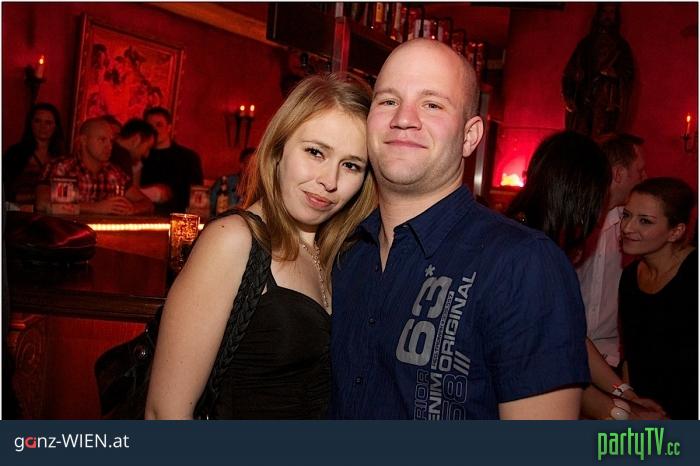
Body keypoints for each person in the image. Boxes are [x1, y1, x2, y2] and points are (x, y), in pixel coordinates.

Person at [331, 39, 589, 420]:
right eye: (388, 101)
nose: (404, 118)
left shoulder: (523, 265)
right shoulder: (346, 251)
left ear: (470, 137)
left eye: (432, 104)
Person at [145, 73, 376, 419]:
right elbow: (165, 413)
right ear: (279, 148)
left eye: (351, 165)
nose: (330, 181)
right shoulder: (233, 239)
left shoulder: (339, 253)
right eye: (315, 152)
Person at [505, 132, 664, 420]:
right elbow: (552, 368)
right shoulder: (533, 255)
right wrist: (626, 415)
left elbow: (571, 335)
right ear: (581, 196)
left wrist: (624, 393)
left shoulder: (525, 236)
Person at [574, 134, 665, 419]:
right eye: (640, 170)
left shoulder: (636, 231)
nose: (645, 176)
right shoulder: (575, 222)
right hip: (569, 353)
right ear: (619, 174)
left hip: (611, 363)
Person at [619, 177, 697, 419]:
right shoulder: (630, 276)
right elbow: (630, 352)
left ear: (676, 231)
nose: (627, 228)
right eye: (626, 215)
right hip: (644, 412)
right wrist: (630, 403)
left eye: (644, 221)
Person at [36, 118, 153, 215]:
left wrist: (132, 209)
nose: (109, 146)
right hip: (66, 233)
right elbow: (42, 203)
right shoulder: (62, 167)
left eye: (111, 141)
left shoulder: (113, 172)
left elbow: (147, 203)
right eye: (102, 140)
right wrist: (95, 208)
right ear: (84, 140)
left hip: (103, 234)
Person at [562, 3, 634, 138]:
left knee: (602, 140)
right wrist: (569, 96)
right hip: (584, 100)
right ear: (598, 15)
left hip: (607, 104)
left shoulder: (621, 47)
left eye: (611, 12)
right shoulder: (586, 44)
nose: (608, 16)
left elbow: (628, 73)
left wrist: (614, 73)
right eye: (604, 12)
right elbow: (570, 72)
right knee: (580, 139)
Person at [141, 106, 203, 214]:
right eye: (150, 126)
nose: (154, 130)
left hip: (177, 215)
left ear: (169, 127)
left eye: (159, 125)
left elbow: (196, 194)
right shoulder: (140, 156)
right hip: (145, 215)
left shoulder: (188, 158)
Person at [3, 103, 65, 204]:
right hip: (18, 209)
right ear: (30, 124)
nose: (43, 127)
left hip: (52, 211)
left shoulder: (62, 157)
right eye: (37, 121)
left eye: (48, 123)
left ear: (55, 126)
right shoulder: (15, 153)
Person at [113, 118, 157, 189]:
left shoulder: (113, 149)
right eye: (147, 147)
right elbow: (127, 192)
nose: (146, 155)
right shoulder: (123, 157)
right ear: (136, 140)